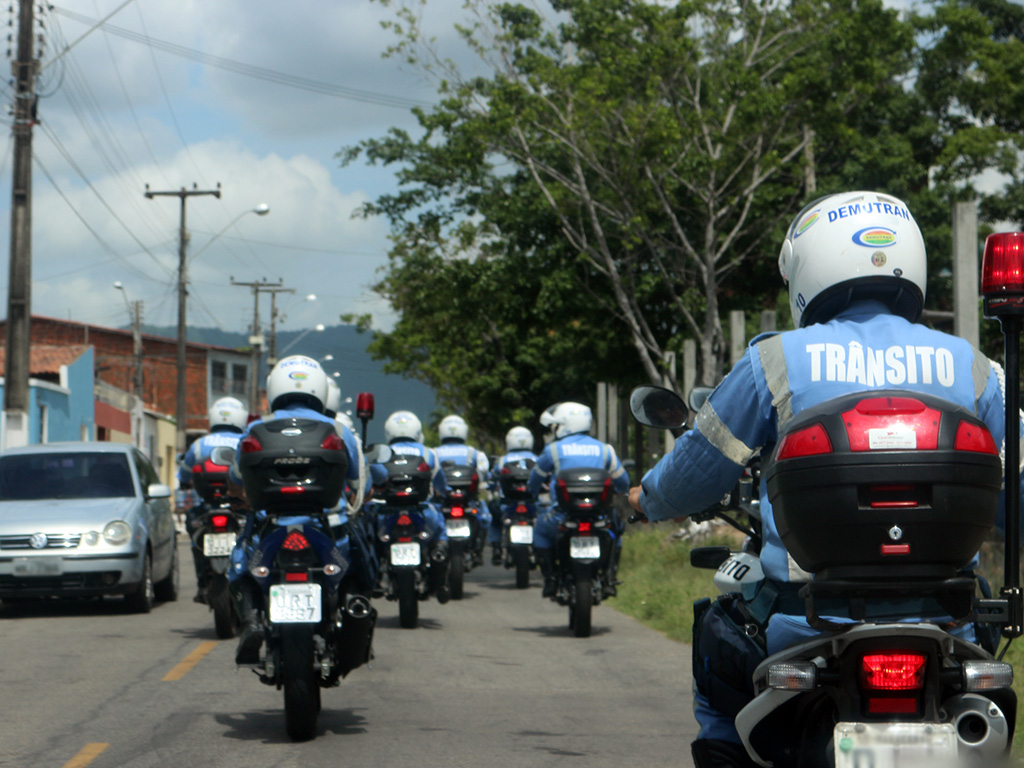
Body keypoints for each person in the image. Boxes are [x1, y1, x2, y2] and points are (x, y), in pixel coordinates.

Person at [627, 190, 1020, 768]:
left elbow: (692, 475)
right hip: (946, 617)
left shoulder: (776, 360)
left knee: (717, 665)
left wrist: (647, 497)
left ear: (808, 267)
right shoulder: (976, 368)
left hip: (802, 618)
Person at [226, 355, 371, 665]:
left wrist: (240, 496)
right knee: (358, 564)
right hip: (328, 529)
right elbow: (360, 481)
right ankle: (355, 607)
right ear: (320, 389)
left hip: (269, 530)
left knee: (239, 564)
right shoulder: (339, 429)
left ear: (274, 387)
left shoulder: (254, 428)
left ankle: (251, 621)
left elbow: (235, 479)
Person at [529, 402, 630, 598]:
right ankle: (609, 578)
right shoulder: (605, 450)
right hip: (599, 518)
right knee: (616, 531)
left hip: (561, 517)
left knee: (540, 528)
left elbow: (535, 480)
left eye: (556, 425)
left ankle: (550, 579)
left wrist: (532, 494)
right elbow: (624, 483)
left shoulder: (553, 450)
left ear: (565, 424)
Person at [373, 409, 452, 600]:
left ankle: (375, 578)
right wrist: (445, 493)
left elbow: (374, 480)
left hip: (388, 514)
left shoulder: (382, 452)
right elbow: (440, 482)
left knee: (371, 537)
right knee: (441, 535)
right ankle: (440, 580)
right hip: (423, 512)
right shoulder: (428, 452)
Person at [177, 396, 248, 603]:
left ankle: (202, 583)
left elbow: (184, 476)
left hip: (207, 507)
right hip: (239, 505)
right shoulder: (243, 442)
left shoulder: (199, 445)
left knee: (195, 537)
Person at [432, 414, 492, 565]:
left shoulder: (434, 452)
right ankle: (477, 551)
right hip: (467, 501)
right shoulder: (474, 453)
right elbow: (484, 470)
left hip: (443, 500)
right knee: (485, 517)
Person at [488, 426, 538, 564]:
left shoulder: (502, 460)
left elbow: (493, 478)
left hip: (508, 503)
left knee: (494, 515)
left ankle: (496, 547)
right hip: (532, 502)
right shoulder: (537, 458)